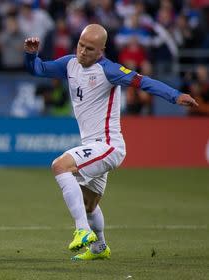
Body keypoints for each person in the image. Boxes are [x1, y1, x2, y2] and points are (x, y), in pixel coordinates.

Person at [24, 24, 198, 261]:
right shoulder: (69, 64)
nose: (83, 52)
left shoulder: (110, 70)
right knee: (89, 204)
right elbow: (39, 69)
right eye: (81, 45)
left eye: (90, 49)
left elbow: (143, 82)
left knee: (60, 166)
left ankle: (82, 231)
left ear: (101, 51)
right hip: (93, 145)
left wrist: (175, 96)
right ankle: (100, 247)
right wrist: (31, 54)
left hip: (108, 145)